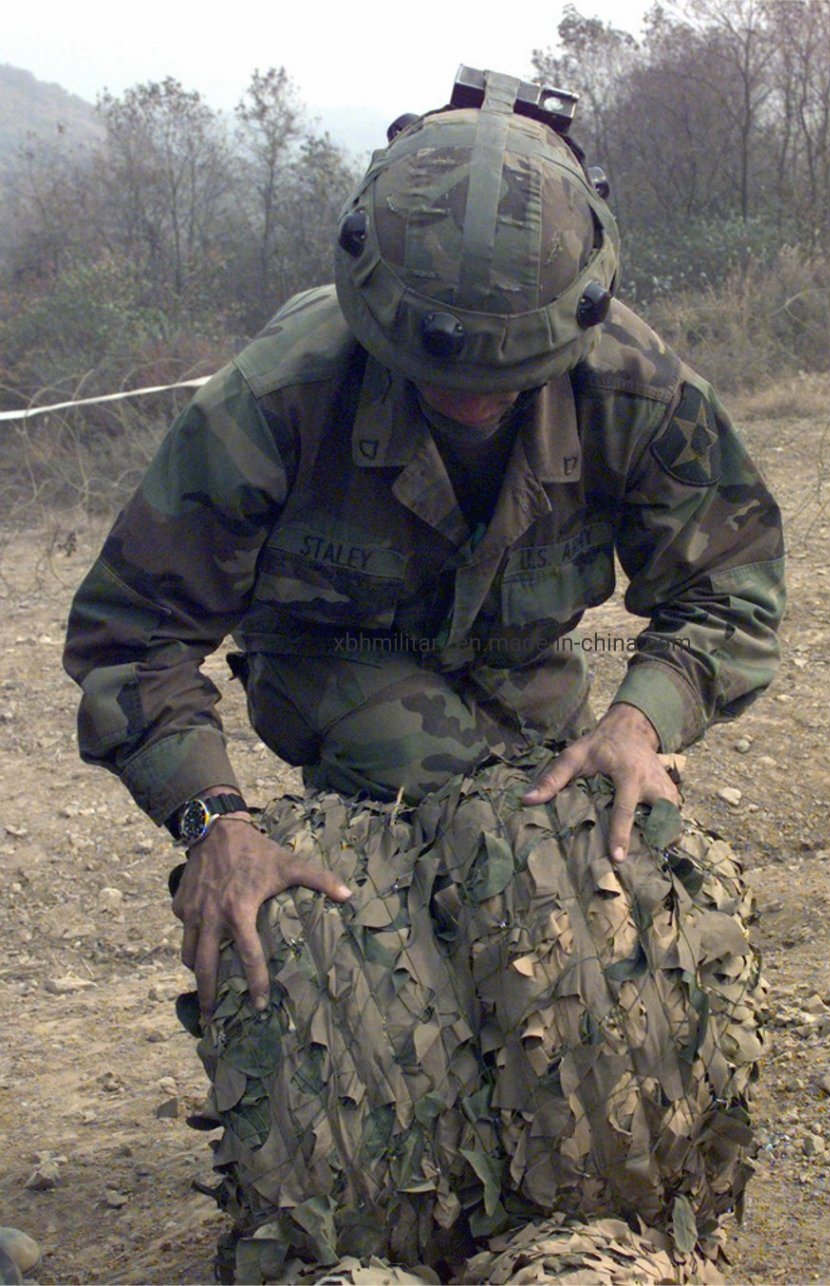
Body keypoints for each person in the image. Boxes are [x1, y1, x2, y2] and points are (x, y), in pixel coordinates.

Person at [63, 68, 785, 1026]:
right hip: (333, 676)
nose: (475, 401)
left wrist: (642, 721)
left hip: (532, 683)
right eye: (440, 374)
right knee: (377, 942)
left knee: (606, 909)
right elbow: (134, 634)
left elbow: (729, 584)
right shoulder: (277, 397)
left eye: (510, 375)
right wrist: (215, 822)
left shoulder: (638, 391)